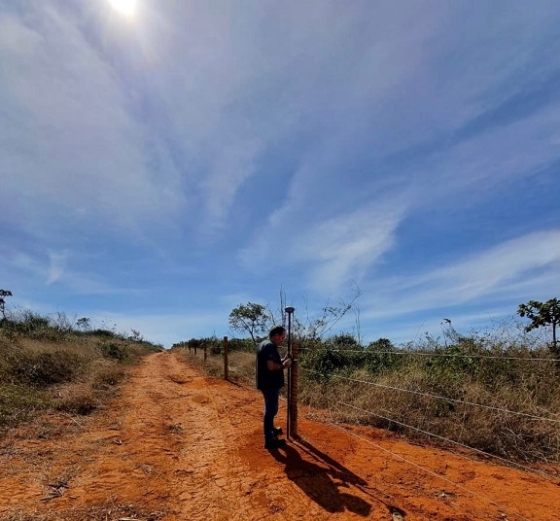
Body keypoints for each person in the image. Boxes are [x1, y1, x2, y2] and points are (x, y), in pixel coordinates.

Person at [256, 325, 292, 449]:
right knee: (270, 410)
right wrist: (285, 365)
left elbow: (271, 362)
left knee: (271, 409)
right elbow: (271, 366)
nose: (282, 340)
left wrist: (283, 359)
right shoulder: (270, 346)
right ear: (276, 335)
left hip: (266, 383)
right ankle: (269, 440)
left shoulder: (264, 344)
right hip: (269, 384)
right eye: (282, 337)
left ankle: (271, 431)